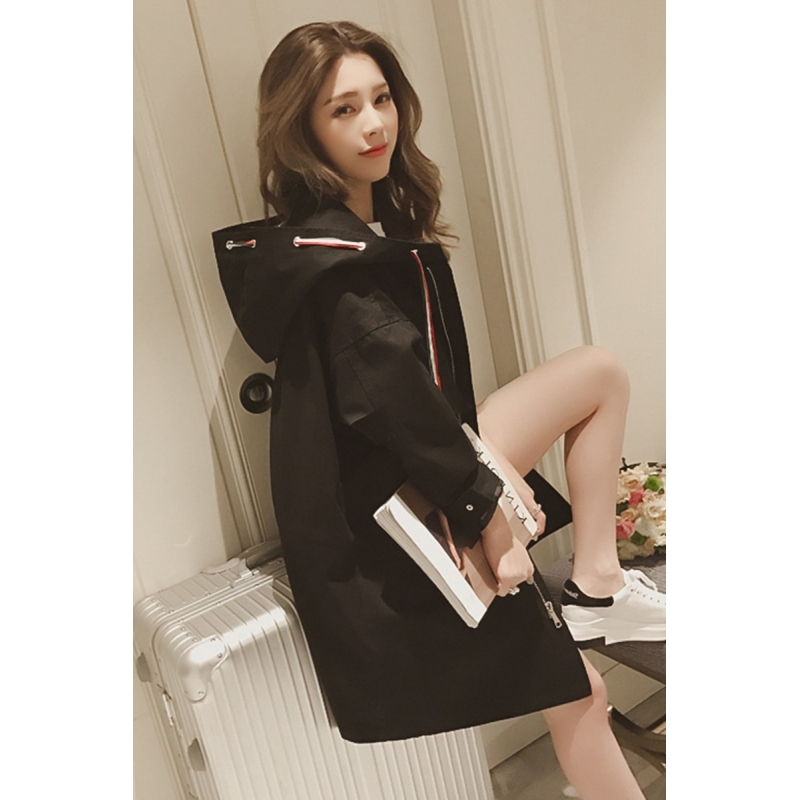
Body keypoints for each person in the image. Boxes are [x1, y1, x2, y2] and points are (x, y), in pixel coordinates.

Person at [213, 20, 665, 800]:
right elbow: (391, 408)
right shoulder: (340, 268)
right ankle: (591, 594)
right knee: (581, 694)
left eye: (381, 98)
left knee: (598, 372)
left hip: (418, 457)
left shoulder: (345, 239)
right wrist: (488, 508)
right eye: (344, 109)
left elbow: (406, 401)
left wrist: (483, 469)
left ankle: (599, 583)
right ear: (303, 131)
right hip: (392, 509)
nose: (374, 124)